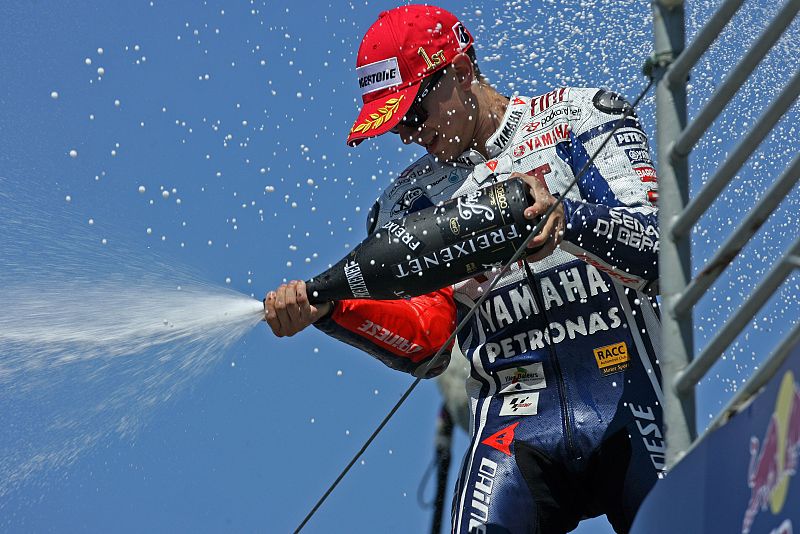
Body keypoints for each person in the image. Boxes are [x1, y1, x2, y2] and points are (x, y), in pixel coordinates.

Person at [265, 5, 664, 533]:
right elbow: (429, 343)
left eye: (413, 112)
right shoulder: (405, 204)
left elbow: (658, 250)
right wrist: (335, 308)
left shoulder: (582, 115)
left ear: (458, 70)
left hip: (628, 393)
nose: (407, 133)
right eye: (395, 123)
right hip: (514, 419)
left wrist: (568, 222)